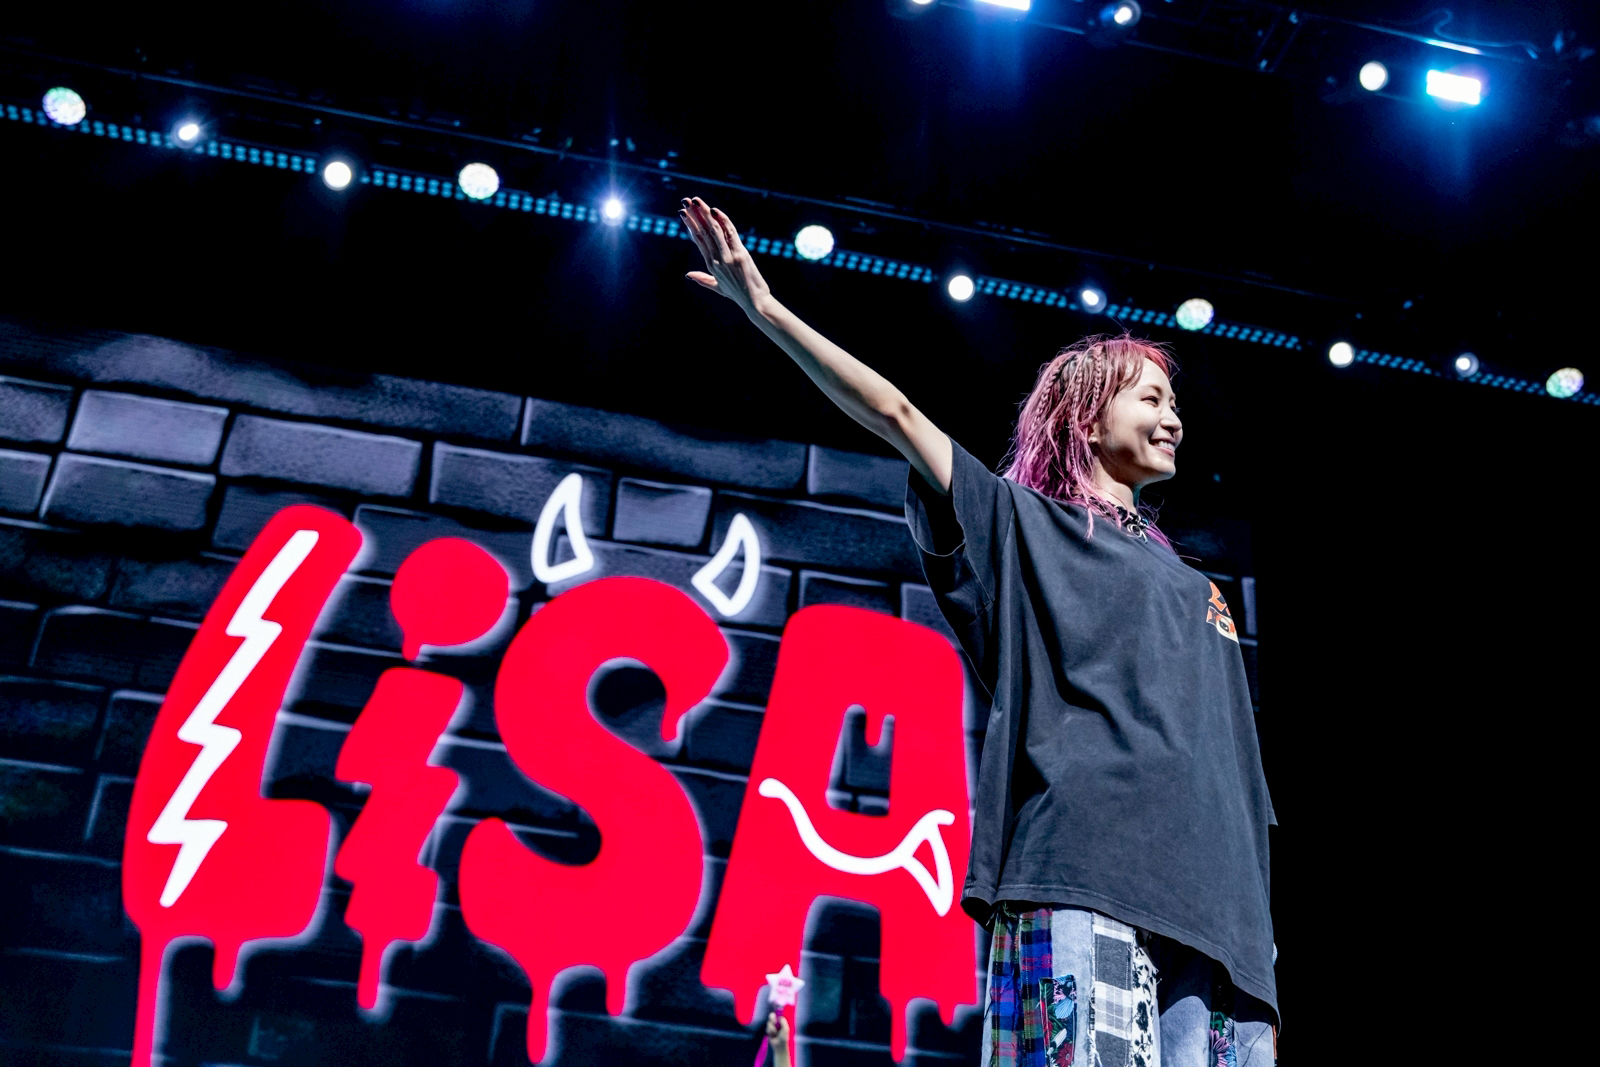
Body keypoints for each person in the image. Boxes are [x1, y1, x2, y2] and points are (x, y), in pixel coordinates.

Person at [680, 197, 1277, 1067]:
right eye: (1150, 396)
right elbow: (897, 414)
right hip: (1085, 876)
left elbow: (1244, 789)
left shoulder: (1203, 593)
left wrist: (1258, 956)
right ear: (1086, 417)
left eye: (1175, 402)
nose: (1174, 418)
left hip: (1219, 926)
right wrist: (768, 313)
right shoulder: (1019, 524)